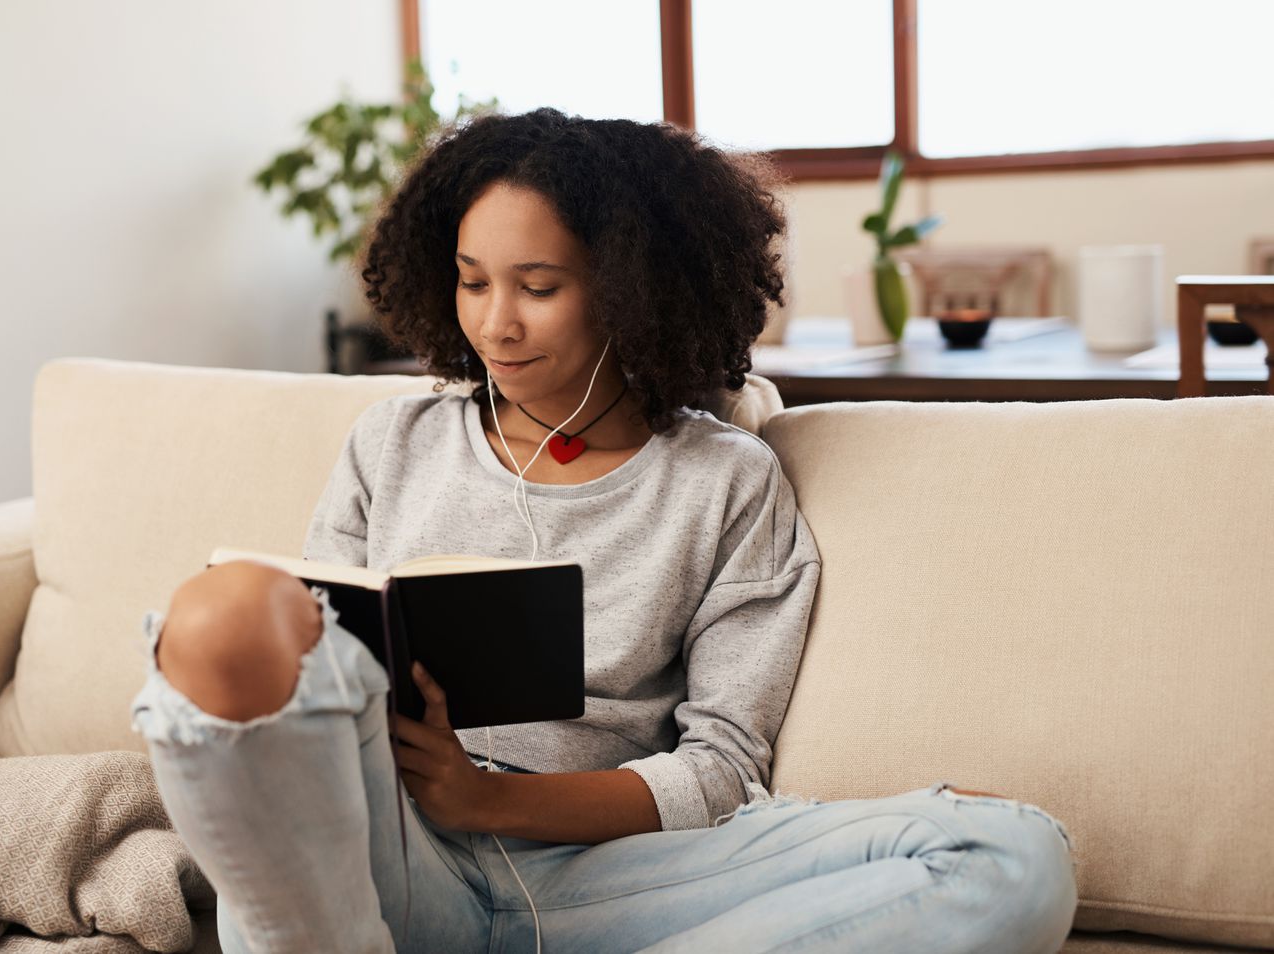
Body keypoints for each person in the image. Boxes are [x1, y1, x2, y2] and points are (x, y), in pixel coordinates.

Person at [129, 108, 1078, 954]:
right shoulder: (393, 443)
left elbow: (722, 771)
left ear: (630, 291)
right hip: (386, 851)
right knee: (227, 614)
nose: (495, 325)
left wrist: (491, 799)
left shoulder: (727, 483)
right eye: (471, 282)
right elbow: (311, 674)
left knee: (1008, 851)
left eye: (537, 286)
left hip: (606, 880)